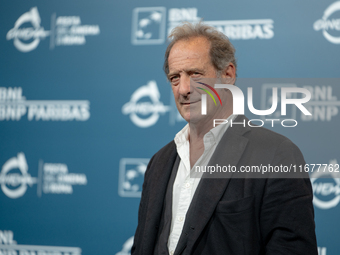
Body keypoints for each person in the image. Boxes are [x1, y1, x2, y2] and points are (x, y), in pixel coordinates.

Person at [131, 22, 317, 255]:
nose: (184, 89)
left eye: (195, 74)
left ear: (228, 75)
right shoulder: (159, 162)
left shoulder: (277, 154)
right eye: (175, 78)